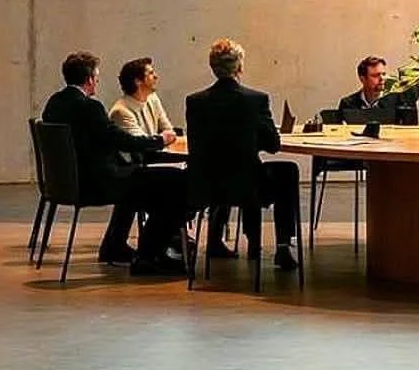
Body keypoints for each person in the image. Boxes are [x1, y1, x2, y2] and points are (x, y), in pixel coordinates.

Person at [41, 51, 186, 274]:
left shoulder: (54, 103)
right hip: (97, 183)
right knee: (175, 184)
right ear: (89, 79)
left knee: (139, 179)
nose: (97, 81)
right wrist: (157, 141)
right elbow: (119, 139)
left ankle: (114, 246)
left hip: (67, 183)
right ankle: (149, 256)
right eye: (96, 77)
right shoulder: (89, 107)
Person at [185, 38, 300, 272]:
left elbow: (198, 144)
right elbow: (273, 145)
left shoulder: (195, 101)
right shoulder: (256, 100)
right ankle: (282, 244)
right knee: (287, 170)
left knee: (228, 167)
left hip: (207, 185)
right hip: (248, 186)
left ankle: (216, 239)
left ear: (212, 67)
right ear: (240, 67)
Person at [337, 55, 418, 124]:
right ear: (362, 79)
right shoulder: (347, 104)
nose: (382, 78)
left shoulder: (399, 100)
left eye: (383, 74)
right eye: (375, 75)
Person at [109, 57, 175, 140]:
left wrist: (165, 138)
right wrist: (163, 139)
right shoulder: (120, 112)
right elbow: (142, 143)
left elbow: (169, 131)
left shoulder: (153, 98)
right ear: (137, 81)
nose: (156, 76)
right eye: (151, 73)